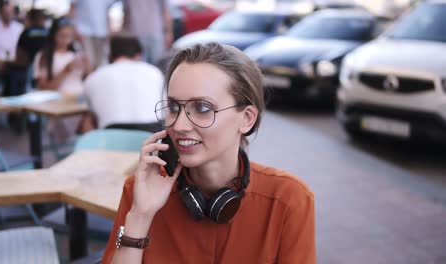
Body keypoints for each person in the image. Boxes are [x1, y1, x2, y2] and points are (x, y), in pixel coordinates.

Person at [102, 43, 316, 263]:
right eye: (174, 107)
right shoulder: (140, 191)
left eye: (202, 108)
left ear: (247, 118)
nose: (179, 124)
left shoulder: (288, 199)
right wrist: (140, 217)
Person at [84, 35, 163, 132]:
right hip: (153, 135)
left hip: (111, 137)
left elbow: (92, 118)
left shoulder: (93, 77)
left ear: (110, 55)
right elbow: (166, 109)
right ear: (139, 55)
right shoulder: (154, 72)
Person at [33, 16, 91, 97]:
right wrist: (66, 70)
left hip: (79, 98)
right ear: (54, 35)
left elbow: (89, 79)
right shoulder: (44, 56)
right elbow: (43, 88)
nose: (65, 40)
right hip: (57, 100)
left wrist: (88, 67)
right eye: (62, 36)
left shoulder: (76, 55)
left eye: (69, 36)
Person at [122, 0, 173, 64]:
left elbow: (166, 11)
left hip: (149, 33)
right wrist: (168, 32)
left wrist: (168, 32)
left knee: (156, 65)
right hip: (141, 34)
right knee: (150, 66)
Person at [70, 0, 116, 68]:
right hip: (84, 31)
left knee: (101, 62)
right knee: (88, 61)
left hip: (102, 32)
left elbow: (107, 12)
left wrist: (109, 30)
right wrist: (74, 28)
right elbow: (72, 9)